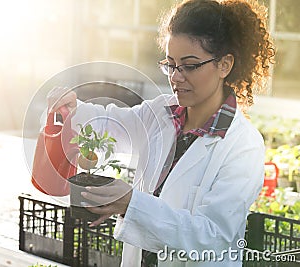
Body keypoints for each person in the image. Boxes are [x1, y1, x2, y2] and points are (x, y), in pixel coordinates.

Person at [47, 0, 275, 266]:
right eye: (170, 64)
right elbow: (113, 123)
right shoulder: (161, 114)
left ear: (224, 65)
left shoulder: (243, 146)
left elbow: (211, 236)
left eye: (189, 65)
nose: (176, 77)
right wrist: (74, 110)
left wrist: (132, 203)